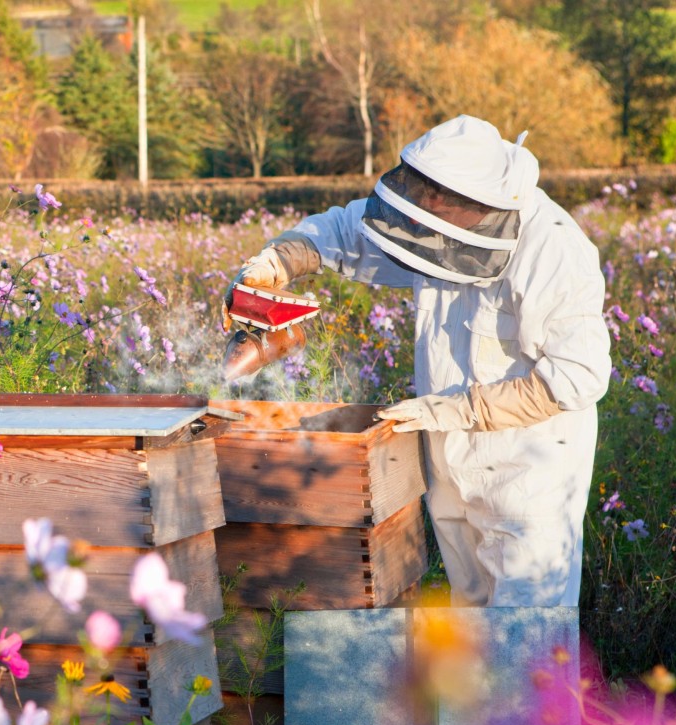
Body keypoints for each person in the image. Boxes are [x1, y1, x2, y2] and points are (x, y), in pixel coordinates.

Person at [224, 115, 611, 607]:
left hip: (527, 477)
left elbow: (576, 377)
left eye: (433, 199)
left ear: (475, 203)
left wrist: (458, 409)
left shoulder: (552, 246)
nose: (421, 208)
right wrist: (279, 260)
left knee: (527, 635)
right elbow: (346, 230)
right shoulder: (431, 218)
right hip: (449, 466)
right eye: (419, 193)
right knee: (470, 622)